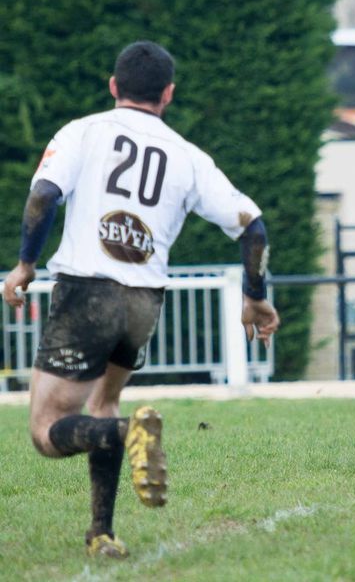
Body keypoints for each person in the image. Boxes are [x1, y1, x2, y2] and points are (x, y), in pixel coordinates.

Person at [0, 41, 280, 559]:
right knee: (102, 404)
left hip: (87, 289)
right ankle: (101, 533)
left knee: (44, 432)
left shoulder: (82, 132)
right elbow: (253, 226)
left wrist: (24, 264)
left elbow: (43, 196)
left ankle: (130, 433)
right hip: (143, 300)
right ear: (168, 94)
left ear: (113, 86)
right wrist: (255, 298)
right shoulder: (188, 155)